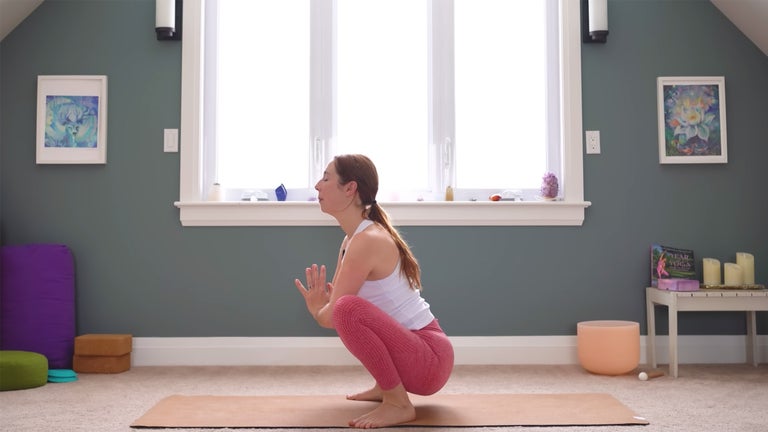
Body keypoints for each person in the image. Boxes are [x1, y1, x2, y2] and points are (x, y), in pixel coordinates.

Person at [294, 154, 454, 429]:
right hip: (419, 352)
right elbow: (335, 307)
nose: (318, 186)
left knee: (347, 309)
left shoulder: (367, 240)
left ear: (350, 189)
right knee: (347, 307)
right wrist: (325, 305)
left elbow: (334, 315)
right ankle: (386, 387)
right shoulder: (352, 239)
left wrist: (319, 310)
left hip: (430, 359)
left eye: (326, 178)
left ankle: (398, 403)